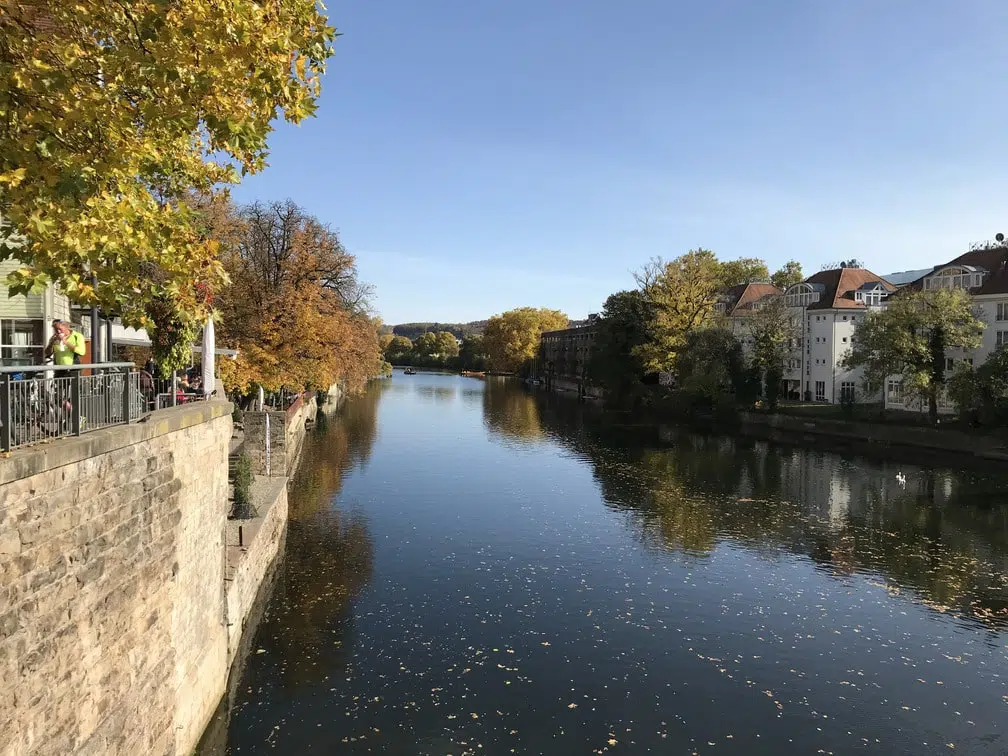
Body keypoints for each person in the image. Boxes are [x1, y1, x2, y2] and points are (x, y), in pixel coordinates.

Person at [43, 320, 86, 411]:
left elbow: (81, 352)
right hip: (59, 370)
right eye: (55, 329)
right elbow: (47, 353)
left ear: (66, 327)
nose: (58, 332)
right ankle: (70, 410)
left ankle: (74, 417)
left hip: (73, 370)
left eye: (60, 329)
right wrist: (52, 343)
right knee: (57, 397)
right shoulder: (54, 338)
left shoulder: (77, 336)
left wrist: (65, 342)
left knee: (73, 397)